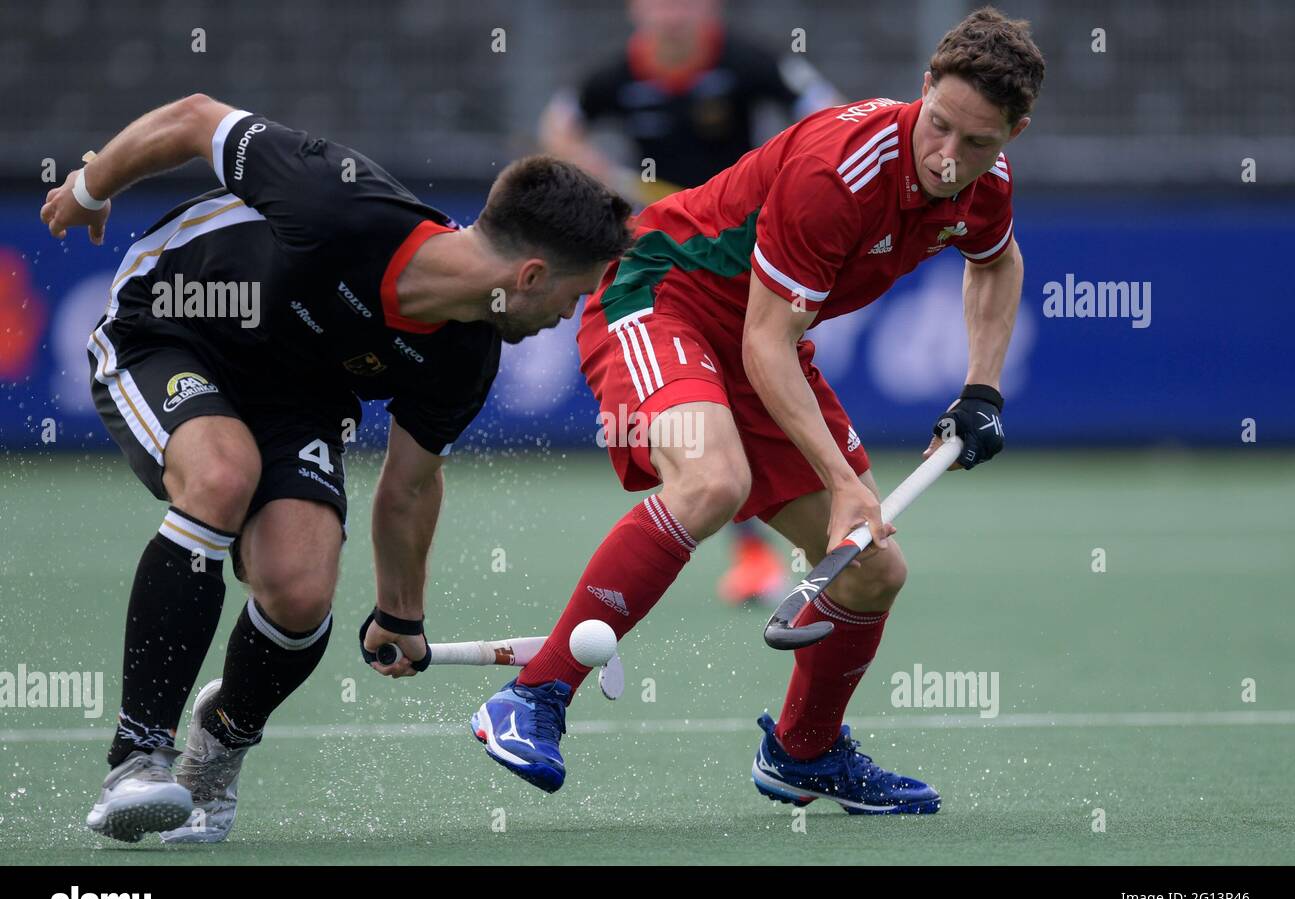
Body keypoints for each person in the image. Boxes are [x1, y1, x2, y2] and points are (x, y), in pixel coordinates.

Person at [471, 7, 1044, 814]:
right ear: (923, 91)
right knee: (712, 481)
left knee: (874, 570)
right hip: (661, 296)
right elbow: (768, 345)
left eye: (978, 143)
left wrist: (981, 390)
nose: (950, 160)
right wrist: (844, 482)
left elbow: (996, 262)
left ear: (1014, 133)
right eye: (940, 127)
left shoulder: (986, 184)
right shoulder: (838, 170)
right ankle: (532, 698)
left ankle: (804, 754)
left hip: (754, 334)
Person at [40, 94, 631, 842]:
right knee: (223, 474)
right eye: (576, 297)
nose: (567, 317)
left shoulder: (465, 353)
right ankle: (137, 759)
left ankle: (218, 748)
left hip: (297, 392)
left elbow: (410, 482)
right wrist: (92, 187)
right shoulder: (338, 200)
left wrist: (400, 614)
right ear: (532, 275)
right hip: (170, 325)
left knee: (299, 590)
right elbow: (193, 118)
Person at [540, 0, 842, 603]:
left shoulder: (747, 61)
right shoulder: (615, 77)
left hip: (740, 252)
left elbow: (831, 116)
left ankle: (779, 546)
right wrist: (604, 173)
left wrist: (783, 176)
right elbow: (558, 125)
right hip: (659, 254)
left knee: (751, 386)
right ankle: (749, 550)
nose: (672, 11)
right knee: (708, 413)